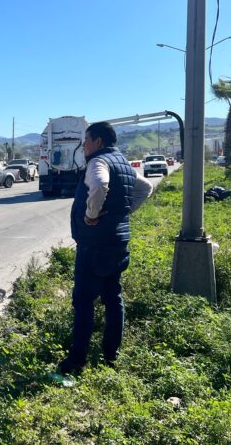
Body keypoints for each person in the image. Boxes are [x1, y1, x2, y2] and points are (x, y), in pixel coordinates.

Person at [58, 121, 153, 374]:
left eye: (86, 141)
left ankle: (77, 360)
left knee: (84, 301)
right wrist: (123, 212)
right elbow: (146, 187)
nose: (84, 146)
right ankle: (111, 356)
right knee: (113, 297)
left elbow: (99, 186)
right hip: (118, 241)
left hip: (94, 244)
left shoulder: (98, 162)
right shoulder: (121, 161)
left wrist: (92, 214)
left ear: (98, 142)